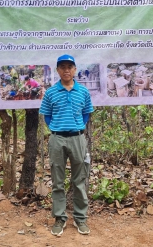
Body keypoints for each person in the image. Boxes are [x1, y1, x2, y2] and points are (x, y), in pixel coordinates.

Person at [39, 54, 94, 237]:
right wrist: (57, 129)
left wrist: (77, 128)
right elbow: (47, 115)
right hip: (57, 139)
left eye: (69, 67)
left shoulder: (83, 92)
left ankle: (80, 218)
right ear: (58, 70)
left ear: (75, 69)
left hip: (78, 138)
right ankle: (60, 218)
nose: (66, 70)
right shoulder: (51, 92)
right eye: (62, 67)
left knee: (79, 180)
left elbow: (86, 113)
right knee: (57, 181)